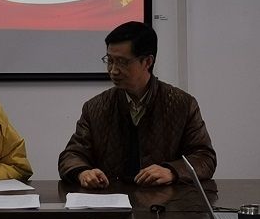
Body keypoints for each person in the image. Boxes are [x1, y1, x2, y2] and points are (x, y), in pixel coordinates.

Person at [58, 21, 216, 188]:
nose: (113, 70)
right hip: (111, 198)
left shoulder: (182, 104)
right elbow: (71, 155)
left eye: (122, 62)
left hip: (165, 200)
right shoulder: (95, 107)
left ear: (147, 62)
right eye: (110, 60)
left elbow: (205, 158)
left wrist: (172, 171)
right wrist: (83, 172)